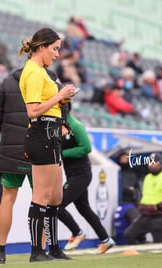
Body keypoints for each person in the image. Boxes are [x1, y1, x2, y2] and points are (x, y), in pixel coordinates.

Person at [0, 67, 60, 264]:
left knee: (7, 197)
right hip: (40, 143)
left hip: (11, 147)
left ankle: (0, 252)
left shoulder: (6, 81)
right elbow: (62, 107)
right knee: (42, 198)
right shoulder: (49, 77)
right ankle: (40, 250)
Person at [18, 27, 76, 262]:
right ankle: (36, 251)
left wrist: (61, 98)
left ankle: (53, 248)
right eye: (54, 49)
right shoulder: (33, 72)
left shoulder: (41, 72)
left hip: (51, 135)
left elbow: (46, 104)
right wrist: (56, 97)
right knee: (41, 196)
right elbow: (32, 111)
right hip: (42, 134)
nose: (57, 54)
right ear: (41, 47)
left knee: (55, 198)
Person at [58, 103, 115, 254]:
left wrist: (61, 154)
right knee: (84, 208)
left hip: (81, 173)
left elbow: (86, 148)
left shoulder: (76, 126)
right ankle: (106, 240)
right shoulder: (60, 127)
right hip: (73, 173)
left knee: (56, 205)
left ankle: (77, 233)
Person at [123, 152, 162, 244]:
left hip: (160, 216)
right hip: (145, 214)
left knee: (159, 244)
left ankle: (154, 255)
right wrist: (141, 205)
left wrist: (158, 207)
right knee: (128, 234)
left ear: (160, 163)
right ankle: (141, 250)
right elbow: (145, 195)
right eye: (150, 162)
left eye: (154, 162)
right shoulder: (147, 177)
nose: (151, 165)